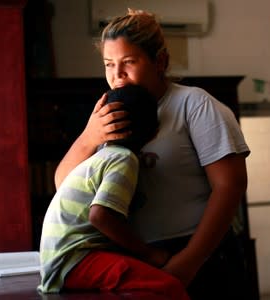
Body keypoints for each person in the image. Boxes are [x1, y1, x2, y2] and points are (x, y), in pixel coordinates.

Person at [54, 8, 251, 300]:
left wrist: (188, 262)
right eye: (109, 64)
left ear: (160, 61)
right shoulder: (109, 113)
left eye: (128, 62)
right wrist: (89, 137)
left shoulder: (194, 105)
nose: (117, 75)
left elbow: (230, 186)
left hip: (201, 254)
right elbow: (64, 186)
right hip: (136, 257)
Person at [38, 84, 190, 300]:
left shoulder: (101, 157)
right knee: (169, 287)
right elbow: (100, 216)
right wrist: (149, 254)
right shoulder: (124, 160)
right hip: (75, 260)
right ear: (155, 132)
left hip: (59, 260)